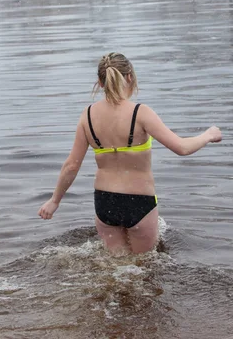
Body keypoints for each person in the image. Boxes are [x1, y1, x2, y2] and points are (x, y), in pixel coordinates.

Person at [38, 52, 222, 255]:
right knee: (143, 268)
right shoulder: (140, 113)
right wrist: (208, 135)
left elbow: (72, 165)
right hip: (138, 202)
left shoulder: (88, 115)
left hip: (105, 202)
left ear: (100, 83)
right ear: (130, 78)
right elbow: (182, 148)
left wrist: (54, 201)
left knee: (115, 267)